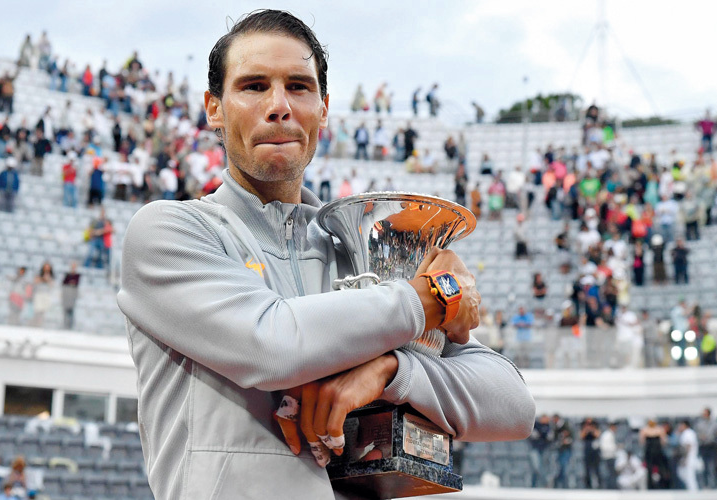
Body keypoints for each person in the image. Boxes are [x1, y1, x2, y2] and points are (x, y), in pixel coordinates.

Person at [117, 10, 534, 500]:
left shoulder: (361, 256)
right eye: (253, 86)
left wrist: (391, 371)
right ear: (215, 109)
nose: (279, 106)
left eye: (298, 87)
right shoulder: (169, 232)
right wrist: (428, 300)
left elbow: (514, 405)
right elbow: (272, 346)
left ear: (323, 109)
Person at [696, 407, 717, 489]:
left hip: (712, 446)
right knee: (705, 466)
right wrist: (701, 436)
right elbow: (697, 434)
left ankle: (716, 484)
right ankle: (706, 485)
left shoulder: (715, 423)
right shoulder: (699, 424)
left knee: (713, 466)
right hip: (704, 446)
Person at [528, 415, 551, 488]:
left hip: (544, 449)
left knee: (542, 467)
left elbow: (549, 438)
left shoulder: (548, 426)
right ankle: (543, 483)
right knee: (536, 467)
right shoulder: (535, 425)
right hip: (535, 448)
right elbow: (532, 436)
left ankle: (539, 484)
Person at [677, 419, 699, 491]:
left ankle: (693, 491)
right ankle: (691, 490)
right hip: (689, 457)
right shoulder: (687, 433)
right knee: (684, 474)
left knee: (689, 476)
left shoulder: (688, 433)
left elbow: (688, 446)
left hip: (689, 457)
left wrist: (685, 458)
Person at [31, 261, 55, 327]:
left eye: (48, 267)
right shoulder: (39, 274)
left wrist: (48, 279)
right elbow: (35, 281)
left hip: (46, 295)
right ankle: (35, 324)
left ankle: (40, 325)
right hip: (39, 294)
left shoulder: (52, 276)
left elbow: (52, 285)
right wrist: (43, 279)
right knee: (38, 311)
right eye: (45, 267)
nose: (47, 269)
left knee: (43, 312)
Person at [581, 418, 601, 488]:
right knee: (587, 468)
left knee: (596, 468)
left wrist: (592, 429)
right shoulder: (583, 426)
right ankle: (588, 485)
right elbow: (581, 436)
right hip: (587, 448)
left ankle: (599, 484)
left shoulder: (596, 426)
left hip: (595, 450)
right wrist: (586, 430)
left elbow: (597, 435)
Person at [599, 422, 619, 489]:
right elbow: (604, 447)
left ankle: (612, 487)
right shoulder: (607, 435)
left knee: (612, 473)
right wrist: (615, 448)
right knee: (610, 473)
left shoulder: (611, 434)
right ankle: (610, 487)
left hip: (611, 456)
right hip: (608, 456)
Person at [61, 262, 81, 329]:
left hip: (73, 295)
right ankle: (65, 325)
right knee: (65, 311)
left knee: (71, 311)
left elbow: (76, 283)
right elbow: (64, 282)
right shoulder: (67, 274)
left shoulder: (78, 275)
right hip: (67, 295)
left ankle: (71, 326)